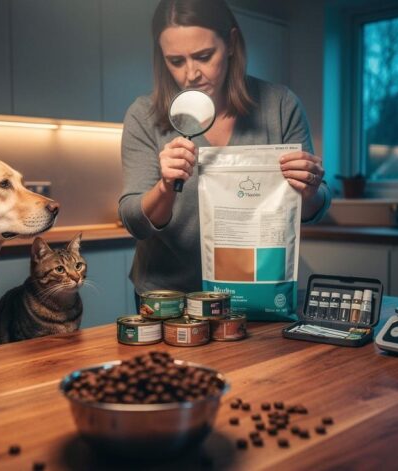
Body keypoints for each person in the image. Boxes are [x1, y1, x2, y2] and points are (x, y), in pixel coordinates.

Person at [119, 0, 330, 299]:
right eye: (176, 61)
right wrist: (165, 187)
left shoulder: (280, 105)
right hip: (170, 295)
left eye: (204, 56)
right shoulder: (144, 115)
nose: (191, 74)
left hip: (257, 290)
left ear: (231, 43)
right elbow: (134, 221)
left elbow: (314, 208)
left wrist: (310, 190)